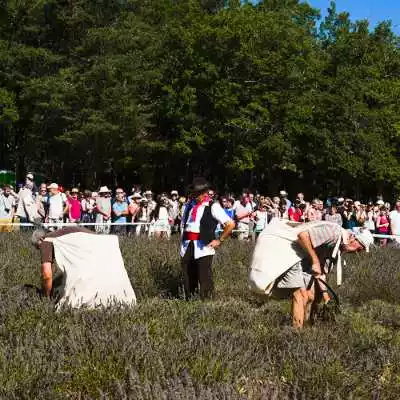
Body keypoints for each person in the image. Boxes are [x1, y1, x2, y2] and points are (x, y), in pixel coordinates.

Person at [249, 220, 374, 328]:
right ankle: (296, 333)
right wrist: (315, 261)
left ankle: (306, 326)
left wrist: (326, 298)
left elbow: (321, 275)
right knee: (300, 294)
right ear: (354, 238)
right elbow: (302, 235)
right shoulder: (334, 232)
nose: (358, 252)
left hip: (304, 258)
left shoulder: (337, 248)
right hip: (291, 253)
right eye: (360, 248)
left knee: (311, 296)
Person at [30, 227, 136, 308]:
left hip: (86, 276)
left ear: (41, 239)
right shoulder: (65, 235)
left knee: (76, 304)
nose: (40, 250)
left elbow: (47, 275)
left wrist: (46, 297)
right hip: (106, 251)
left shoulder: (46, 241)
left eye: (38, 247)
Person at [181, 177, 235, 299]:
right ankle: (190, 301)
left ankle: (207, 303)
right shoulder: (188, 206)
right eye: (194, 193)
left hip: (204, 245)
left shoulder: (213, 206)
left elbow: (230, 224)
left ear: (205, 193)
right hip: (187, 245)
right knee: (188, 274)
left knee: (204, 276)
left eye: (198, 193)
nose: (195, 196)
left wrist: (219, 240)